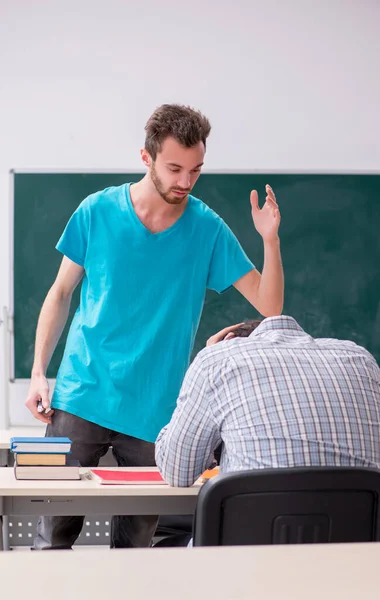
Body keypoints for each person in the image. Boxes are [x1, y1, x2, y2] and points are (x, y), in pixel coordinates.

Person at [25, 104, 284, 549]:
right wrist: (36, 371)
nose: (186, 181)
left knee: (137, 552)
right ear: (146, 158)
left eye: (196, 170)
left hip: (155, 413)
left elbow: (270, 306)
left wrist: (270, 239)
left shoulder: (208, 229)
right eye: (175, 168)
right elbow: (60, 293)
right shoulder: (96, 211)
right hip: (81, 394)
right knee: (53, 541)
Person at [155, 316, 380, 487]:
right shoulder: (360, 360)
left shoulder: (218, 359)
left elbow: (178, 472)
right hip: (364, 549)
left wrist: (209, 359)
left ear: (230, 340)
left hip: (252, 547)